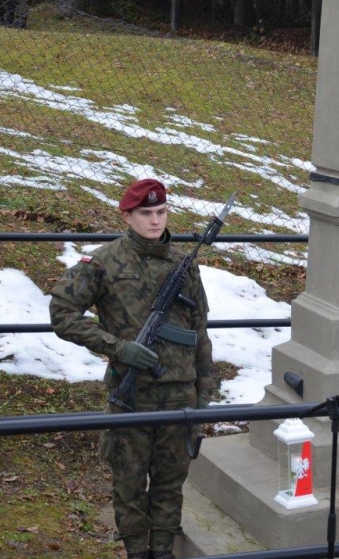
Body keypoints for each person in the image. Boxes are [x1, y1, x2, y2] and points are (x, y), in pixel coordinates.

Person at [49, 179, 218, 559]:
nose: (155, 221)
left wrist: (205, 390)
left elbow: (200, 329)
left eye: (161, 212)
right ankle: (136, 553)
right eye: (146, 213)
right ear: (127, 215)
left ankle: (162, 552)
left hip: (180, 394)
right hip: (132, 395)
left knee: (169, 485)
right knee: (128, 486)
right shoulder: (104, 262)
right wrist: (119, 348)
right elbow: (62, 313)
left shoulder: (182, 264)